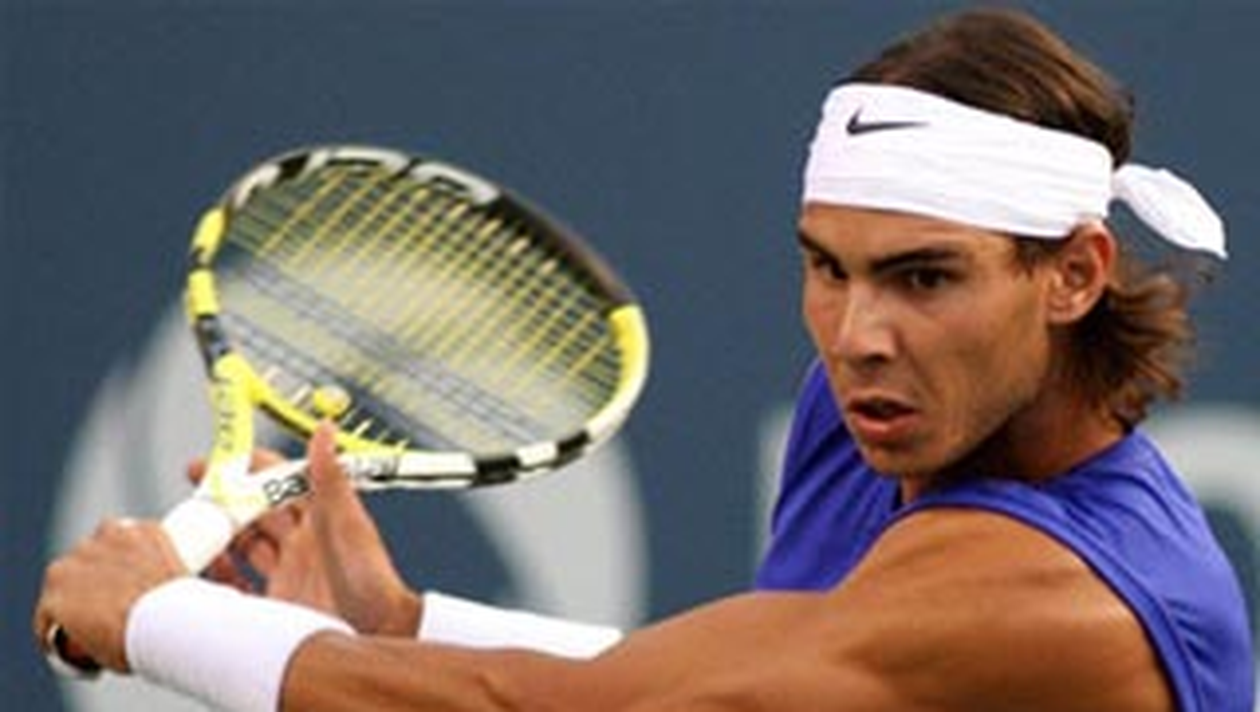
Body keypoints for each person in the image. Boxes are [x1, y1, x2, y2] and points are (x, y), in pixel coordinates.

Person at [35, 8, 1254, 711]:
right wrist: (404, 624)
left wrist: (156, 619)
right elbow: (745, 671)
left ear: (1073, 274)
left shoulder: (1063, 590)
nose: (855, 334)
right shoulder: (881, 412)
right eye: (828, 267)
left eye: (924, 277)